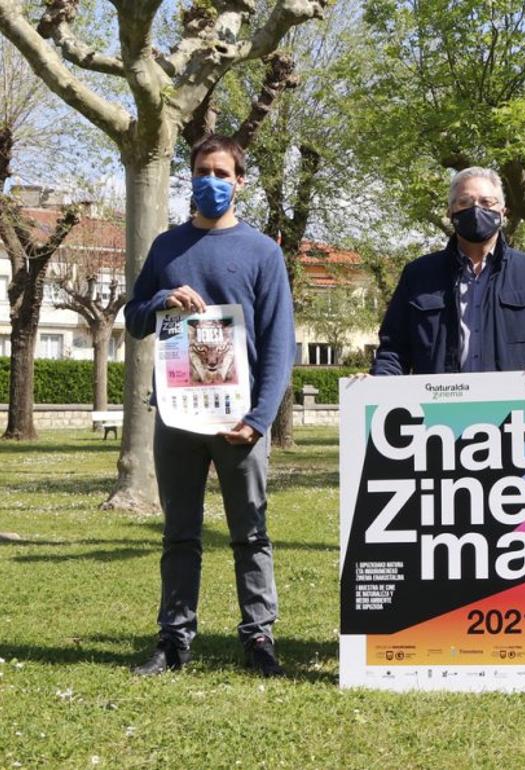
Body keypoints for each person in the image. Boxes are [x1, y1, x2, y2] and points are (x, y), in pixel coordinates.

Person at [365, 166, 525, 672]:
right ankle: (439, 634)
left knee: (522, 539)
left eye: (484, 202)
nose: (474, 211)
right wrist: (377, 387)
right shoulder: (419, 275)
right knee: (444, 540)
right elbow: (394, 348)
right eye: (463, 203)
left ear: (504, 210)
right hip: (438, 436)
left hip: (513, 432)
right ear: (449, 212)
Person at [125, 134, 296, 677]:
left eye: (223, 174)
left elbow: (279, 342)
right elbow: (133, 319)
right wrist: (161, 300)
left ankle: (259, 637)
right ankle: (173, 641)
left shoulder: (263, 252)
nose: (212, 182)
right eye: (203, 172)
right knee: (179, 534)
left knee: (251, 533)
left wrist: (260, 418)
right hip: (177, 416)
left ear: (240, 182)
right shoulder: (166, 247)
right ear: (191, 176)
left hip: (239, 418)